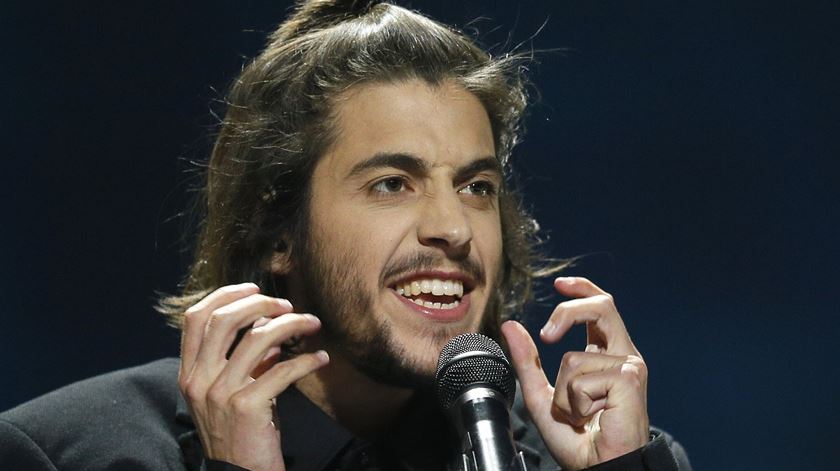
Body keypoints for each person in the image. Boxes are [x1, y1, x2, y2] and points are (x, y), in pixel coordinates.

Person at [0, 1, 691, 470]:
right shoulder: (60, 454)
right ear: (278, 229)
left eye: (476, 186)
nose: (452, 227)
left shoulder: (579, 454)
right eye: (392, 182)